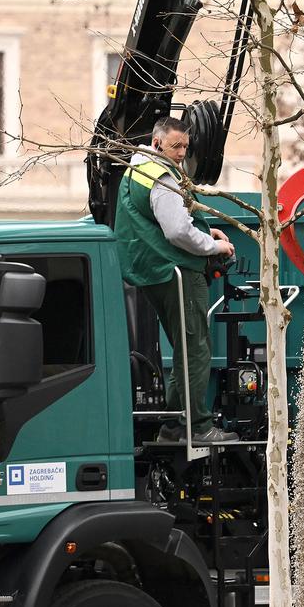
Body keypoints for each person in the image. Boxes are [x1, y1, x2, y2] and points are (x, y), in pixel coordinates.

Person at [114, 116, 239, 443]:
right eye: (176, 146)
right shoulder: (162, 177)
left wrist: (203, 230)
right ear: (157, 144)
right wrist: (214, 245)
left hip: (154, 270)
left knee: (184, 351)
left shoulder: (137, 170)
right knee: (196, 349)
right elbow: (176, 230)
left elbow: (161, 222)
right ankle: (198, 428)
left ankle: (172, 427)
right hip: (177, 271)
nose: (183, 152)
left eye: (185, 145)